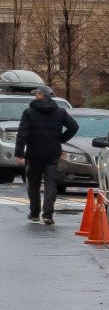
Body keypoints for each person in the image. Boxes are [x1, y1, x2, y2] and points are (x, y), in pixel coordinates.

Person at [13, 86, 77, 225]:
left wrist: (19, 152)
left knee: (34, 184)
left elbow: (22, 133)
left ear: (41, 95)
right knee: (50, 184)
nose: (36, 96)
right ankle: (48, 214)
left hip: (34, 153)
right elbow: (74, 127)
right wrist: (61, 139)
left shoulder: (29, 112)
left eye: (37, 93)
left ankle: (34, 213)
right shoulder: (60, 111)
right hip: (52, 152)